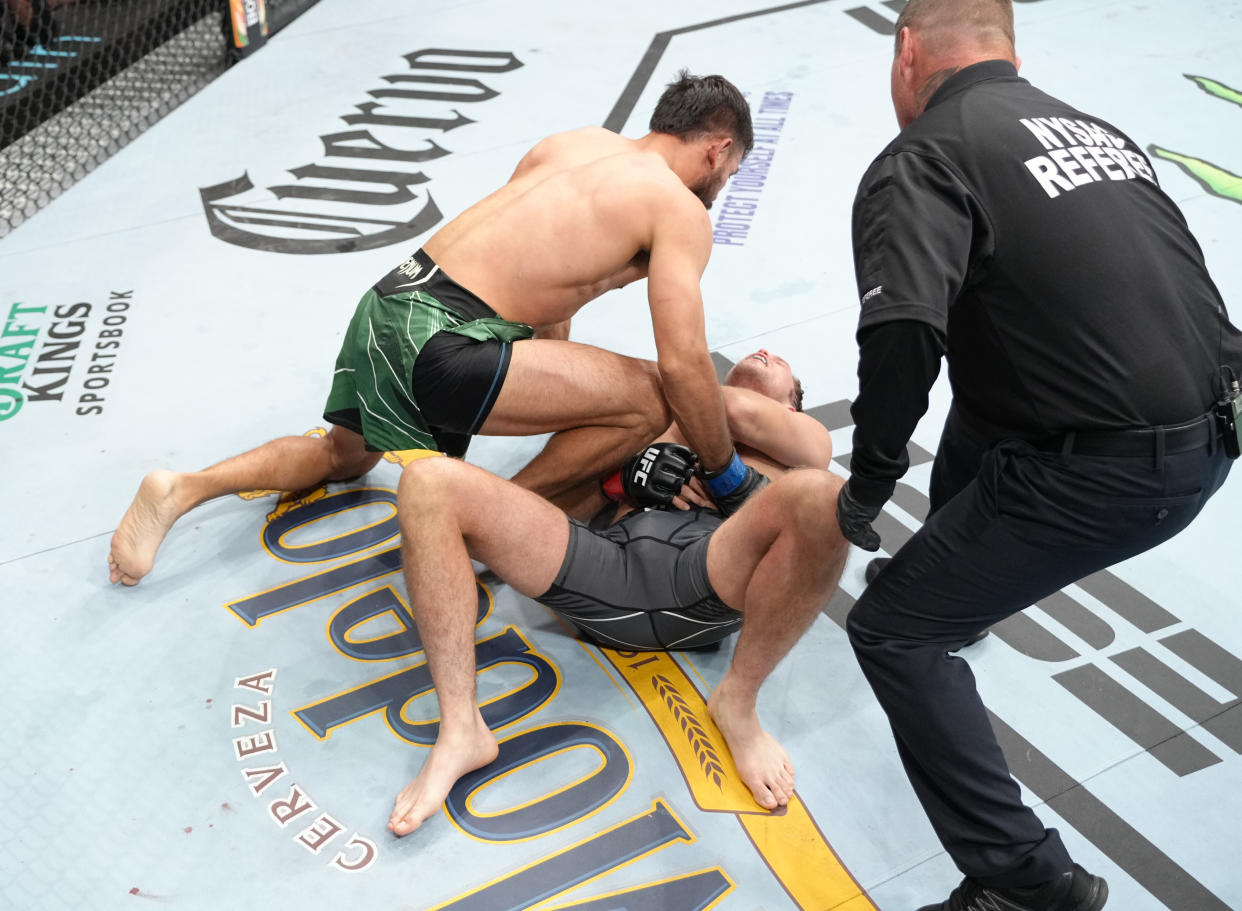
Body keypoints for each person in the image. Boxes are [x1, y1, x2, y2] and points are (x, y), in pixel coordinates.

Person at [833, 2, 1242, 910]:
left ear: (906, 52)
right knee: (986, 396)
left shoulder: (923, 157)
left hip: (1110, 472)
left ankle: (1026, 883)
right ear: (1010, 49)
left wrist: (868, 480)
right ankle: (967, 591)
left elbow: (903, 334)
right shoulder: (1093, 129)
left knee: (894, 628)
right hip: (1216, 426)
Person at [107, 70, 761, 586]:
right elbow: (681, 365)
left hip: (390, 300)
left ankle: (182, 487)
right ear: (717, 148)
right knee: (650, 396)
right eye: (727, 177)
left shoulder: (577, 143)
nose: (720, 190)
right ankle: (485, 523)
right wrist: (726, 472)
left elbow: (540, 277)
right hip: (444, 340)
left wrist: (555, 384)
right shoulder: (679, 209)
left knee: (344, 456)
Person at [387, 349, 849, 835]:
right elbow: (570, 504)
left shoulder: (804, 443)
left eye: (781, 366)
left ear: (792, 406)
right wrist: (622, 479)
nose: (766, 353)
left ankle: (738, 701)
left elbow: (733, 411)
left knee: (823, 497)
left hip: (704, 574)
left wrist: (730, 478)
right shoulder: (669, 422)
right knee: (427, 480)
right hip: (605, 570)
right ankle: (461, 727)